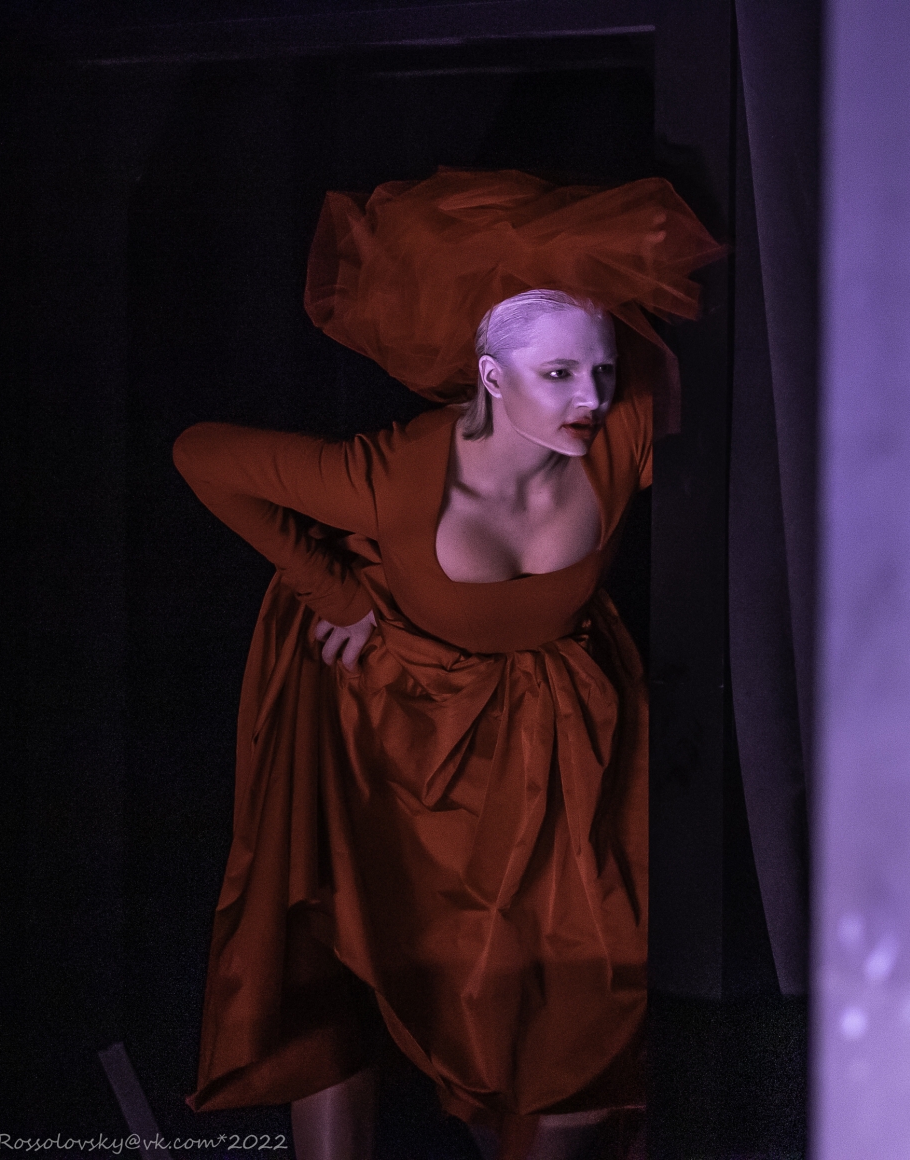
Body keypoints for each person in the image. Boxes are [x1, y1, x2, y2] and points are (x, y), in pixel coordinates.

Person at [173, 169, 723, 1160]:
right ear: (490, 376)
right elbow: (200, 454)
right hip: (387, 738)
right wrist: (334, 592)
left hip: (543, 750)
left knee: (578, 1004)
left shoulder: (623, 431)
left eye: (601, 369)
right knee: (350, 963)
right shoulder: (388, 475)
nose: (590, 397)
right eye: (558, 374)